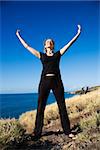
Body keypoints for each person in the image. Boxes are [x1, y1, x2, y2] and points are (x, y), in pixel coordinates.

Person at [16, 24, 81, 139]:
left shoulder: (58, 54)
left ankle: (68, 132)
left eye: (51, 42)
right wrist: (18, 36)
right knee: (41, 107)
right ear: (45, 46)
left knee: (62, 107)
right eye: (47, 42)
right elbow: (27, 47)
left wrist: (78, 33)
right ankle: (37, 133)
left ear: (53, 45)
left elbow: (69, 44)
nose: (49, 43)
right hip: (44, 82)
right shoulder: (41, 55)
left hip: (57, 82)